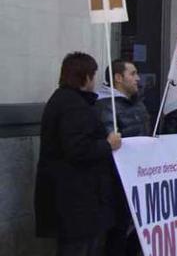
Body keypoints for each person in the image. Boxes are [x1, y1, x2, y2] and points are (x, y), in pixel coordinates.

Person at [35, 52, 123, 256]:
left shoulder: (67, 101)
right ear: (85, 77)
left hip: (74, 198)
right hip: (77, 199)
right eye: (94, 75)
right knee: (80, 248)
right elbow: (78, 149)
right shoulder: (73, 105)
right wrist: (107, 144)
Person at [95, 60, 150, 256]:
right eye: (133, 73)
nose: (137, 78)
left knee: (137, 233)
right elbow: (111, 145)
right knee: (119, 232)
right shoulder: (105, 106)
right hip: (118, 182)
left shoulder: (138, 104)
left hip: (140, 177)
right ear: (118, 78)